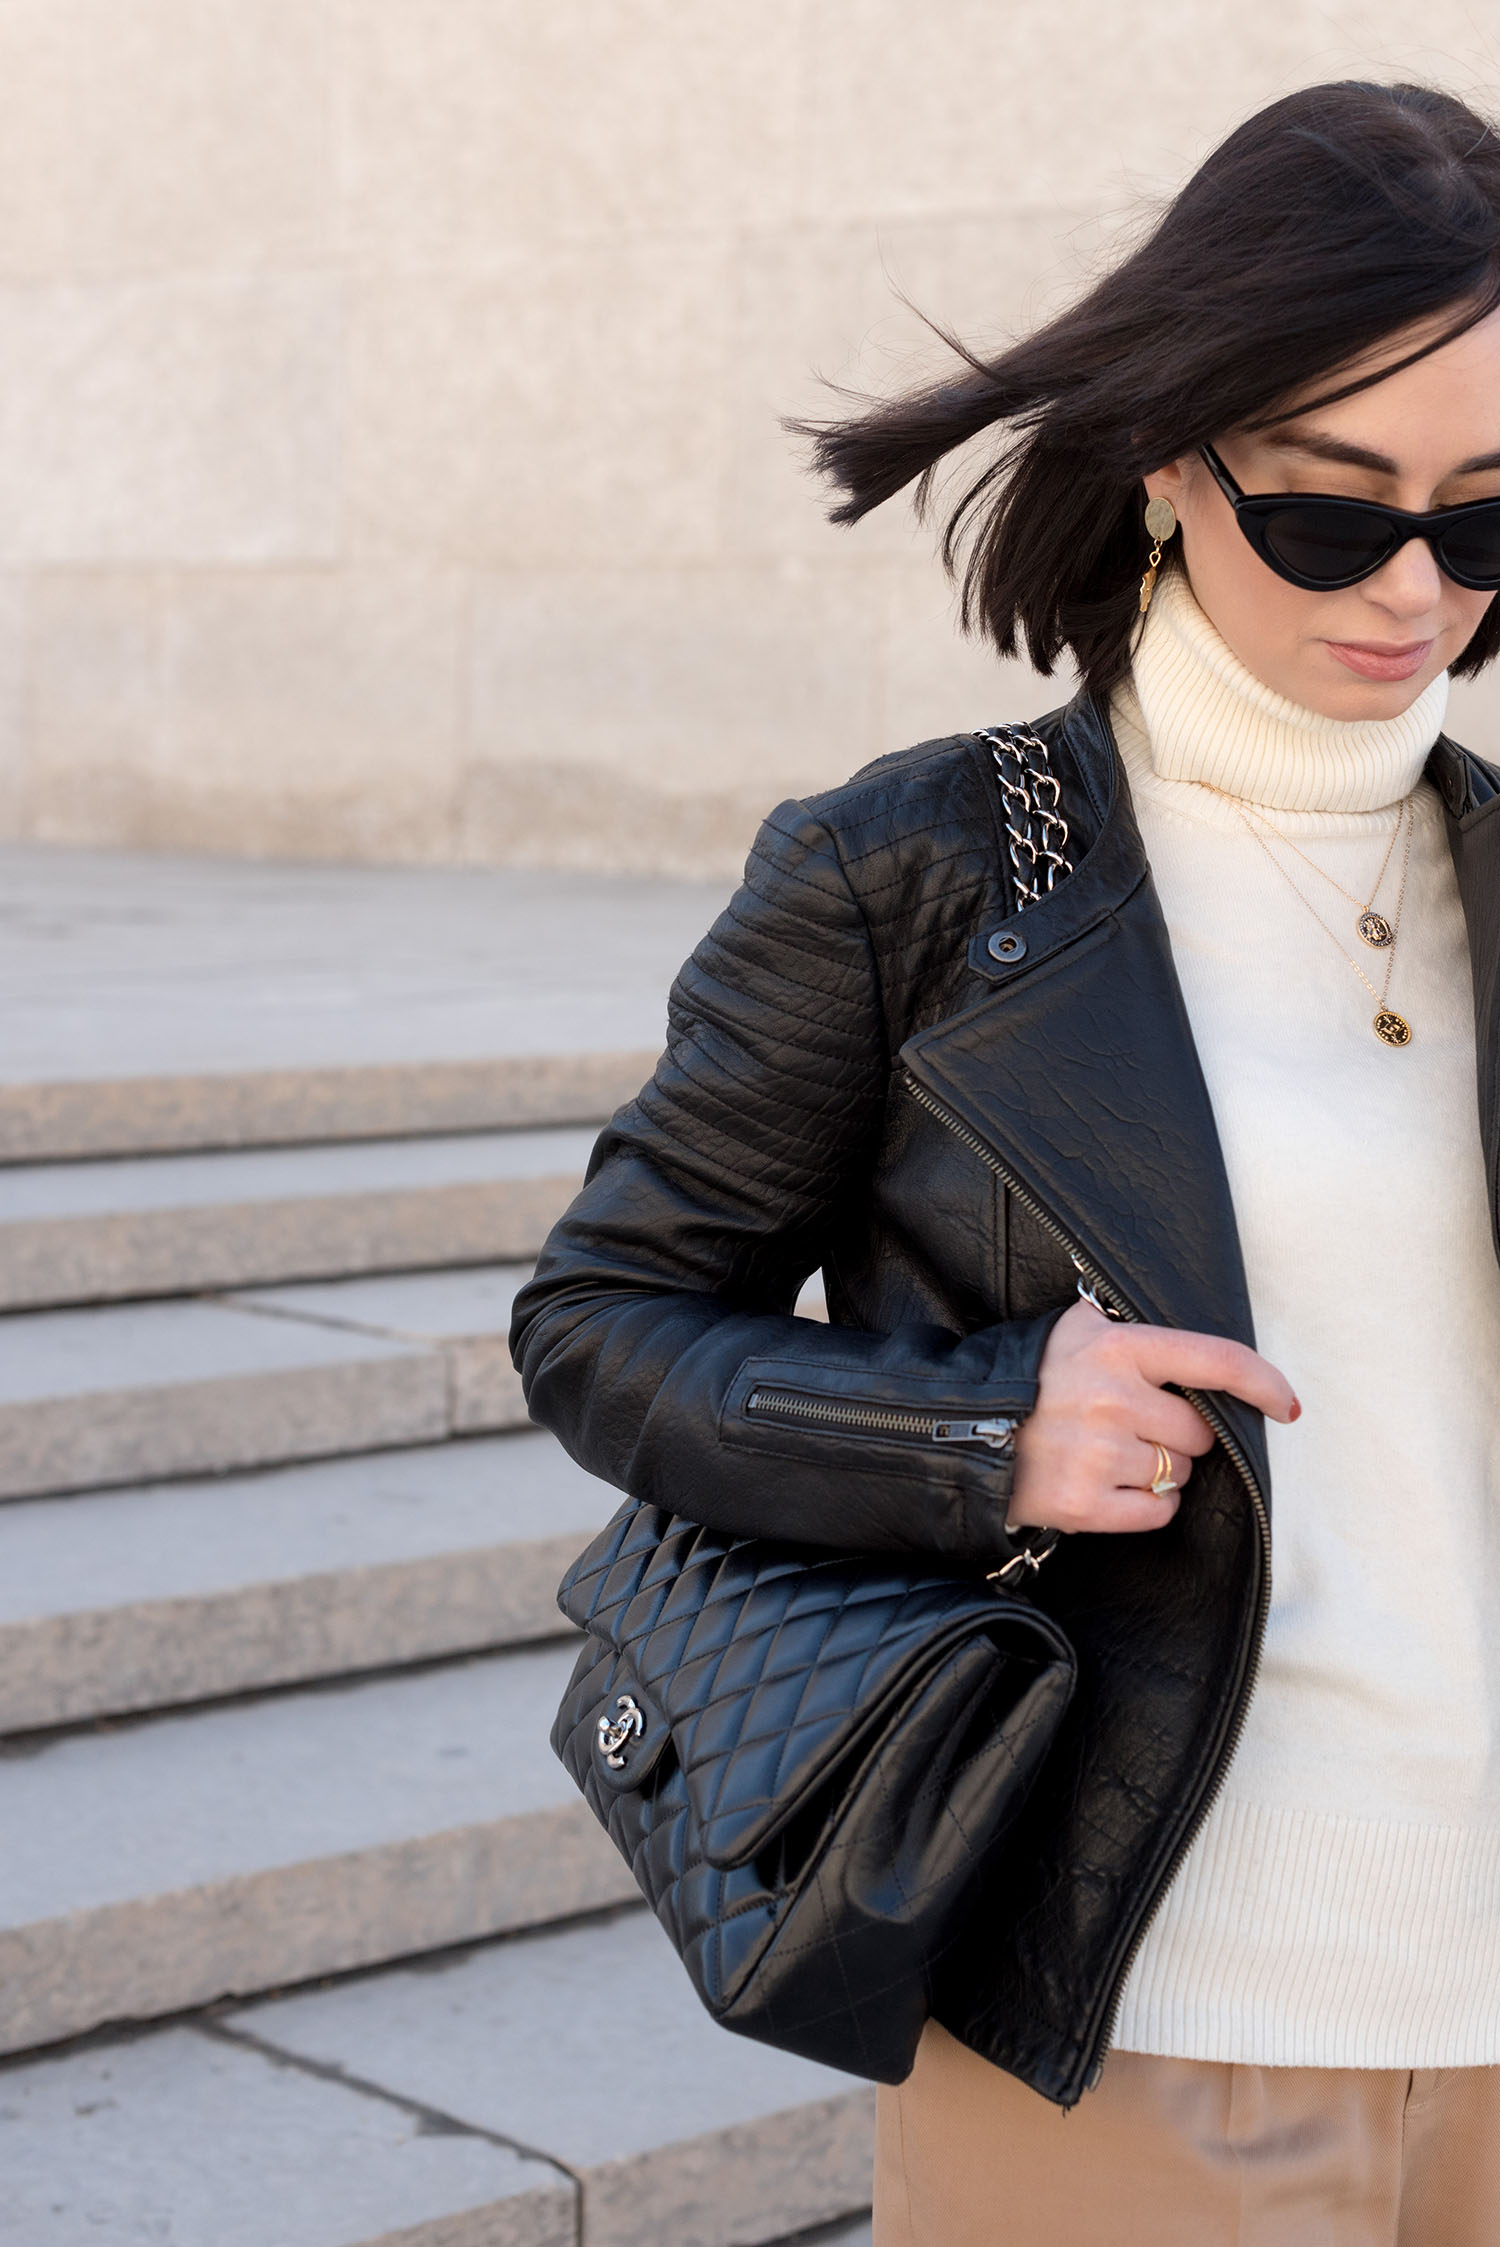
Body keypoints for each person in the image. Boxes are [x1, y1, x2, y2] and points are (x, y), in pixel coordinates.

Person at [510, 80, 1500, 2243]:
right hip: (1148, 2015)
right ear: (1172, 455)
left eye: (1490, 516)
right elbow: (598, 1323)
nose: (1418, 586)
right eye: (1333, 512)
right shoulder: (925, 870)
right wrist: (979, 1431)